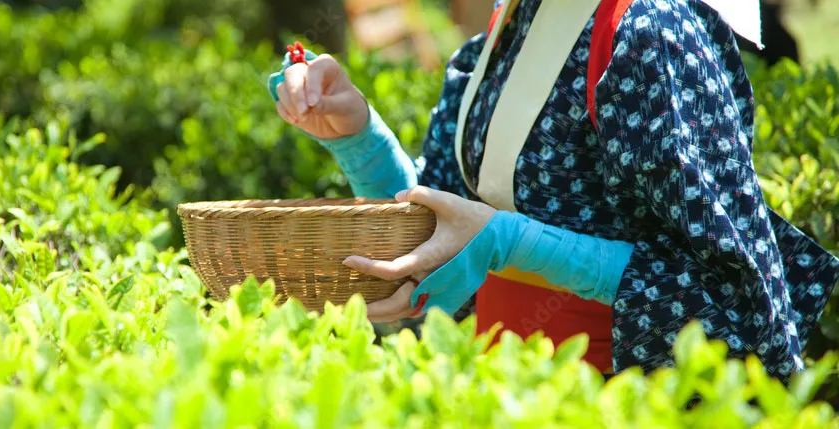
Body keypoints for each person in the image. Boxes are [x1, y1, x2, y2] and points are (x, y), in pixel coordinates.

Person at [267, 0, 839, 379]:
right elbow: (447, 229)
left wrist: (512, 243)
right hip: (507, 392)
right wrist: (359, 136)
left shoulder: (652, 31)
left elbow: (739, 312)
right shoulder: (514, 17)